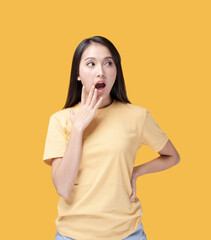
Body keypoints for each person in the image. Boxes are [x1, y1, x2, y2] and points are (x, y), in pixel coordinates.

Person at [43, 36, 181, 240]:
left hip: (127, 234)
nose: (101, 71)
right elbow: (62, 187)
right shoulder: (60, 120)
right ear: (78, 75)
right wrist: (78, 128)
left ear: (116, 71)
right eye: (91, 64)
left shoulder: (137, 116)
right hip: (72, 235)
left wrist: (136, 172)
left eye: (108, 63)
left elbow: (172, 156)